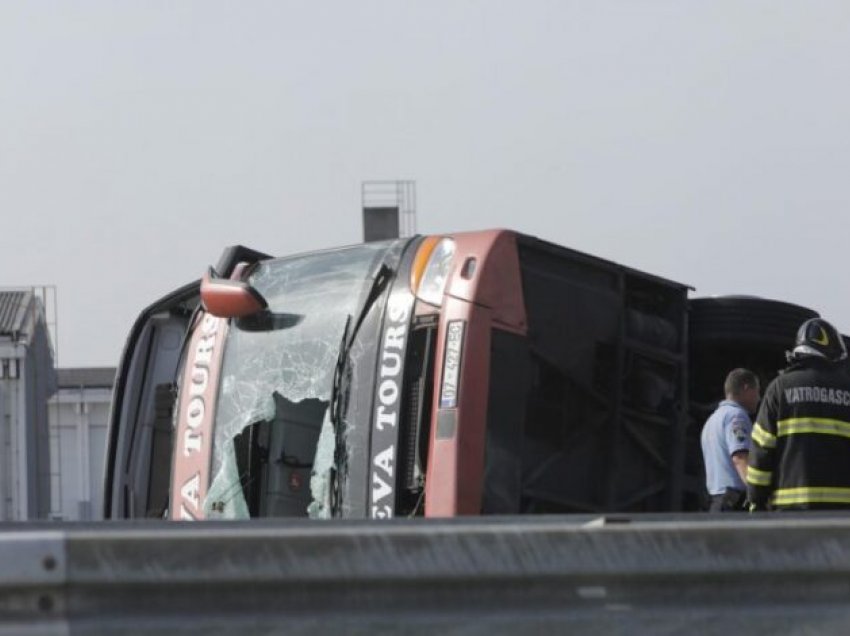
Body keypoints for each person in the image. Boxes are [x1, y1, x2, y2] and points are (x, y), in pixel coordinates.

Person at [747, 317, 850, 511]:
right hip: (842, 514)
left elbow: (762, 448)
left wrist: (756, 498)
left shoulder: (780, 388)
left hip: (791, 513)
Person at [701, 368, 761, 512]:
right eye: (757, 391)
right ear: (746, 388)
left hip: (716, 501)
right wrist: (757, 494)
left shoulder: (713, 419)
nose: (759, 398)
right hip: (733, 504)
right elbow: (740, 458)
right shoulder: (737, 416)